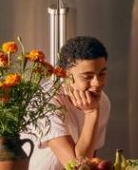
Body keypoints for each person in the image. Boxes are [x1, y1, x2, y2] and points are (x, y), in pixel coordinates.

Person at [29, 36, 111, 170]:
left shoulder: (102, 101)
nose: (97, 83)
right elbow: (74, 165)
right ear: (65, 75)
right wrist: (91, 113)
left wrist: (93, 111)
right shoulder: (46, 101)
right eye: (87, 76)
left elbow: (88, 162)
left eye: (102, 74)